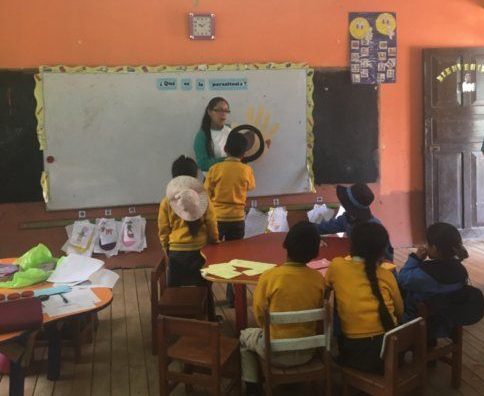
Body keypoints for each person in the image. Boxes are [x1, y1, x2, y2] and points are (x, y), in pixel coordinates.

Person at [239, 221, 325, 394]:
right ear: (315, 252)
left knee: (243, 337)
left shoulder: (270, 277)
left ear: (285, 245)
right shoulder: (318, 279)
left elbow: (259, 315)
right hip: (307, 351)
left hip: (274, 353)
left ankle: (252, 386)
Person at [325, 222, 403, 374]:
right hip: (390, 352)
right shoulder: (387, 275)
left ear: (352, 245)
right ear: (381, 252)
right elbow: (400, 311)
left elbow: (326, 288)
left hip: (356, 354)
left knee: (336, 310)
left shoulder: (337, 266)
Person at [398, 222, 481, 341]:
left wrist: (415, 259)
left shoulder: (426, 275)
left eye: (428, 243)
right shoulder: (461, 270)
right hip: (450, 321)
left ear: (435, 249)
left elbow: (403, 279)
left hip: (424, 324)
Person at [204, 130, 256, 306]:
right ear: (244, 153)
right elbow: (251, 187)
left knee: (210, 257)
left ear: (225, 149)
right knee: (235, 258)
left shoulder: (215, 169)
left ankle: (206, 298)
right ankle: (233, 298)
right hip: (237, 218)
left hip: (217, 219)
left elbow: (206, 192)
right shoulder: (246, 170)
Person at [157, 155, 219, 287]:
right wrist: (214, 241)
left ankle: (179, 307)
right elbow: (211, 223)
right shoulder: (204, 199)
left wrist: (166, 248)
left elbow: (163, 230)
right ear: (194, 177)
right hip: (201, 251)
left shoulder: (167, 201)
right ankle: (206, 307)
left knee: (175, 289)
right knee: (204, 288)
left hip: (176, 252)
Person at [317, 183, 394, 262]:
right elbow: (327, 227)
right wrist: (307, 229)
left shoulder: (375, 228)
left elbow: (387, 256)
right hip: (357, 261)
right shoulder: (347, 219)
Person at [194, 97, 232, 172]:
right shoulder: (202, 135)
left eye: (226, 110)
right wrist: (226, 160)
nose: (223, 114)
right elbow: (202, 164)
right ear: (209, 112)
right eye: (219, 110)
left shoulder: (231, 130)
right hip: (212, 181)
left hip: (231, 178)